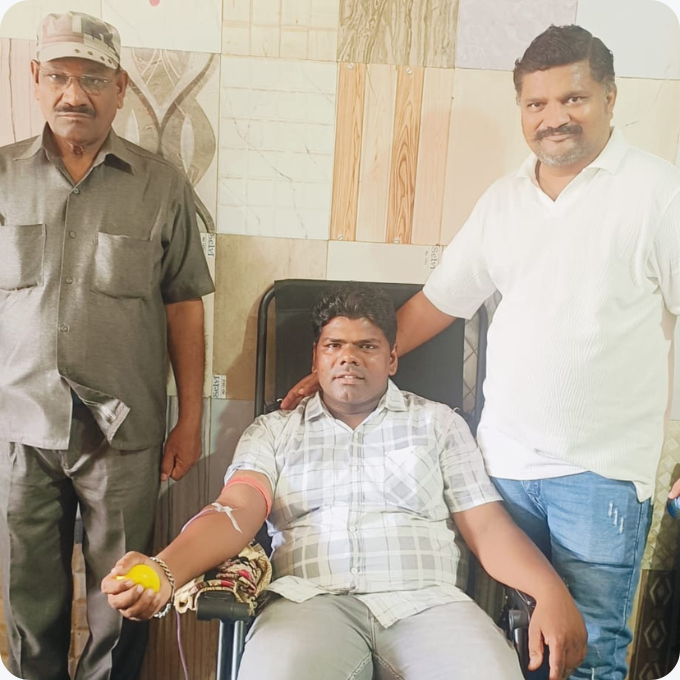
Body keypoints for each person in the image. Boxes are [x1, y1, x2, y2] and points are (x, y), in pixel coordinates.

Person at [281, 25, 680, 680]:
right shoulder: (504, 201)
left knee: (588, 652)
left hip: (601, 476)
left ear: (610, 97)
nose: (553, 118)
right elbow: (436, 305)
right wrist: (333, 373)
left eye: (573, 99)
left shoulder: (659, 195)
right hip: (501, 468)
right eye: (536, 103)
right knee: (508, 645)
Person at [102, 283, 586, 680]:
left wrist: (549, 591)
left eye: (367, 346)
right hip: (309, 605)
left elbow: (487, 526)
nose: (348, 357)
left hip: (430, 605)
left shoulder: (439, 424)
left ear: (392, 359)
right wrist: (164, 570)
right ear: (315, 359)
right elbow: (235, 511)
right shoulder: (274, 431)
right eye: (334, 345)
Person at [0, 11, 214, 680]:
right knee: (27, 597)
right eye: (59, 77)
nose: (75, 95)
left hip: (123, 432)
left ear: (120, 88)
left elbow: (184, 305)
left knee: (125, 598)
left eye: (93, 79)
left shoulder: (161, 184)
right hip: (19, 426)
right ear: (35, 79)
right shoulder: (1, 176)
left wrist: (190, 419)